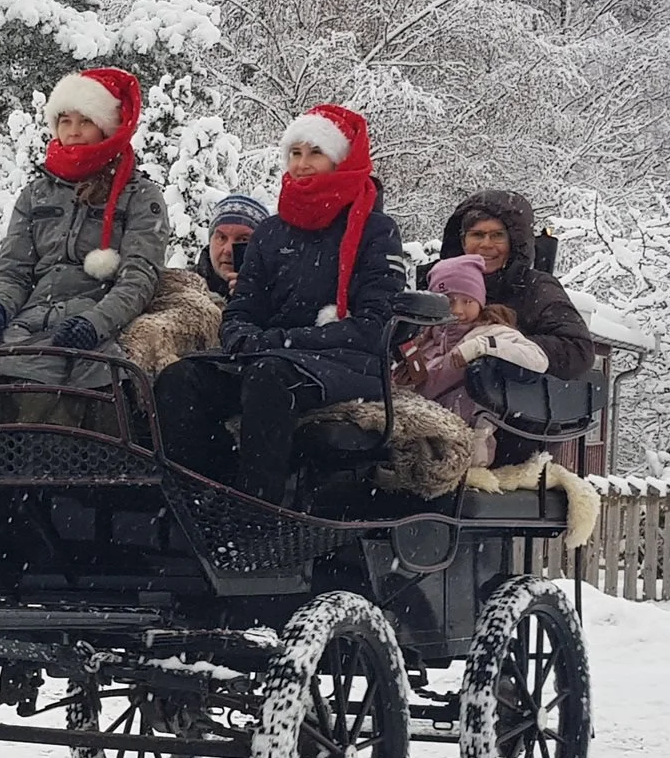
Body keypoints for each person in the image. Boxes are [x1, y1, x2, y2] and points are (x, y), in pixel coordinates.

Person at [153, 104, 406, 504]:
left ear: (340, 159)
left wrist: (284, 342)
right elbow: (242, 308)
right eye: (295, 153)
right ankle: (204, 496)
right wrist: (242, 338)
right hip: (273, 356)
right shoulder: (271, 232)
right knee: (179, 379)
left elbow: (376, 324)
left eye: (315, 153)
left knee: (270, 379)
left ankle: (258, 516)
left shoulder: (376, 230)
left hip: (346, 362)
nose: (302, 164)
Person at [0, 67, 169, 426]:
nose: (73, 131)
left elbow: (138, 277)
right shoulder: (34, 194)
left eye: (85, 121)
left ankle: (38, 462)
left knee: (49, 391)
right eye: (64, 120)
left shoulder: (140, 196)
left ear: (106, 126)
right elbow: (14, 269)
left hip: (96, 321)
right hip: (27, 321)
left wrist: (95, 322)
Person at [398, 253, 548, 465]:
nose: (458, 310)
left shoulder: (491, 332)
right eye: (449, 302)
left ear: (480, 301)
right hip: (422, 447)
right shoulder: (423, 342)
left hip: (469, 450)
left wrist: (482, 347)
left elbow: (538, 359)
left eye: (467, 301)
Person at [432, 189, 594, 379]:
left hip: (505, 400)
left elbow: (578, 350)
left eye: (497, 235)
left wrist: (504, 349)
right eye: (477, 235)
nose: (486, 244)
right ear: (462, 241)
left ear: (515, 242)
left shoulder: (536, 288)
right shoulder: (437, 282)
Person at [192, 194, 269, 299]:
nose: (228, 250)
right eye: (221, 238)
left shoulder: (282, 297)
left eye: (243, 240)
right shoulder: (178, 290)